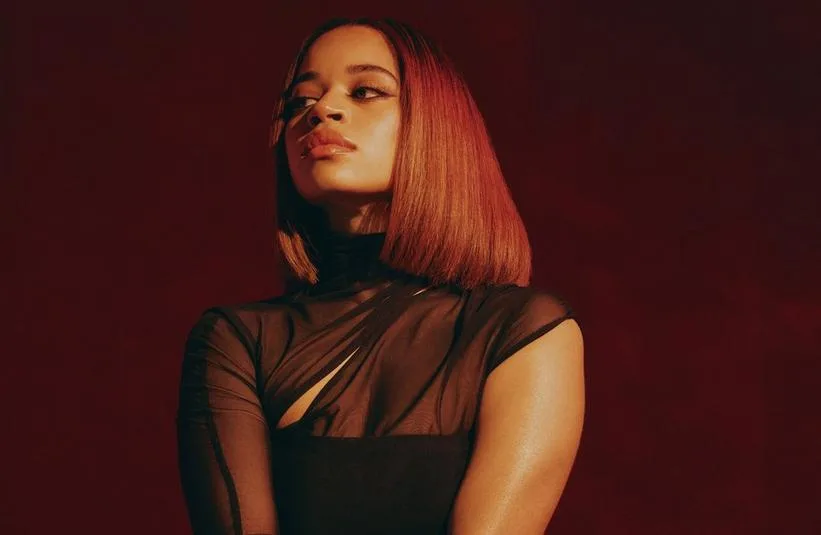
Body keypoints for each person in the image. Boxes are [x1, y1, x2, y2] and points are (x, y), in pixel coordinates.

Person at [176, 17, 585, 535]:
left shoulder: (520, 331)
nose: (321, 110)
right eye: (300, 101)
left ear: (436, 124)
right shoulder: (238, 340)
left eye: (365, 91)